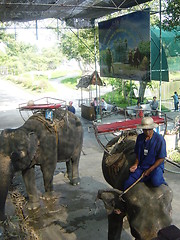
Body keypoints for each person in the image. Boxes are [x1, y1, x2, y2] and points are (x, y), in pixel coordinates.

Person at [124, 117, 167, 190]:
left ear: (152, 128)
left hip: (155, 167)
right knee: (128, 183)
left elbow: (161, 158)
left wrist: (149, 170)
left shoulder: (160, 140)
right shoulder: (140, 138)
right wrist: (136, 164)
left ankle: (162, 181)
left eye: (149, 129)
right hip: (142, 166)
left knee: (156, 181)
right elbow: (137, 152)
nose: (147, 132)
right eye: (145, 129)